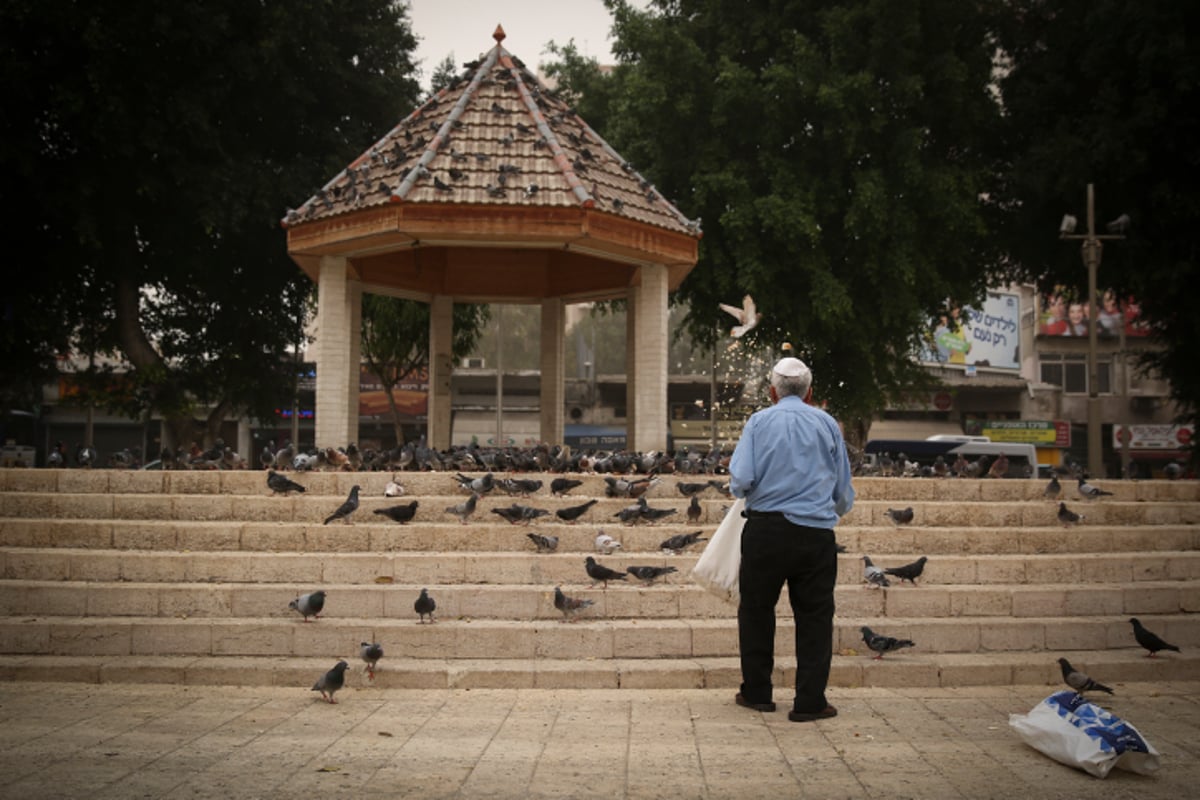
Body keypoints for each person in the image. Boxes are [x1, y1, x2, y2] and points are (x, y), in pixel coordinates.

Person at [728, 356, 856, 722]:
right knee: (815, 617)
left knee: (755, 612)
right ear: (810, 393)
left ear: (772, 391)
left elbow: (741, 480)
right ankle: (810, 701)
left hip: (765, 531)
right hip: (815, 535)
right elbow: (842, 490)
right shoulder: (828, 424)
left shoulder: (759, 422)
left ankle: (757, 693)